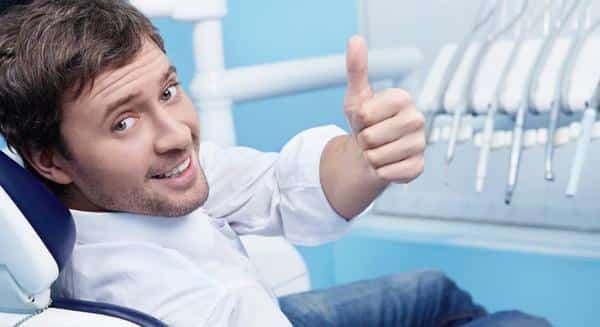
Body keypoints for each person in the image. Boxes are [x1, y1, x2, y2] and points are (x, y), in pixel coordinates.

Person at [0, 0, 550, 326]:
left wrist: (366, 158)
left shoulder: (146, 179)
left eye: (168, 91)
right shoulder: (165, 299)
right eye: (124, 122)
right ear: (50, 160)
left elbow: (282, 185)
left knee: (432, 288)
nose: (177, 137)